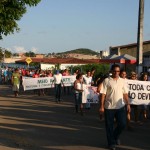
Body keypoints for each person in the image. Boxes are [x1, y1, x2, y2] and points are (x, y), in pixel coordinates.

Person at [99, 64, 130, 150]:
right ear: (111, 71)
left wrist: (128, 104)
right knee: (109, 126)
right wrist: (101, 106)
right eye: (115, 71)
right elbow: (103, 94)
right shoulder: (106, 80)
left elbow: (125, 93)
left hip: (120, 107)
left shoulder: (122, 81)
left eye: (118, 71)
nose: (116, 72)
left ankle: (115, 137)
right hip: (109, 107)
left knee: (122, 124)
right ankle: (111, 143)